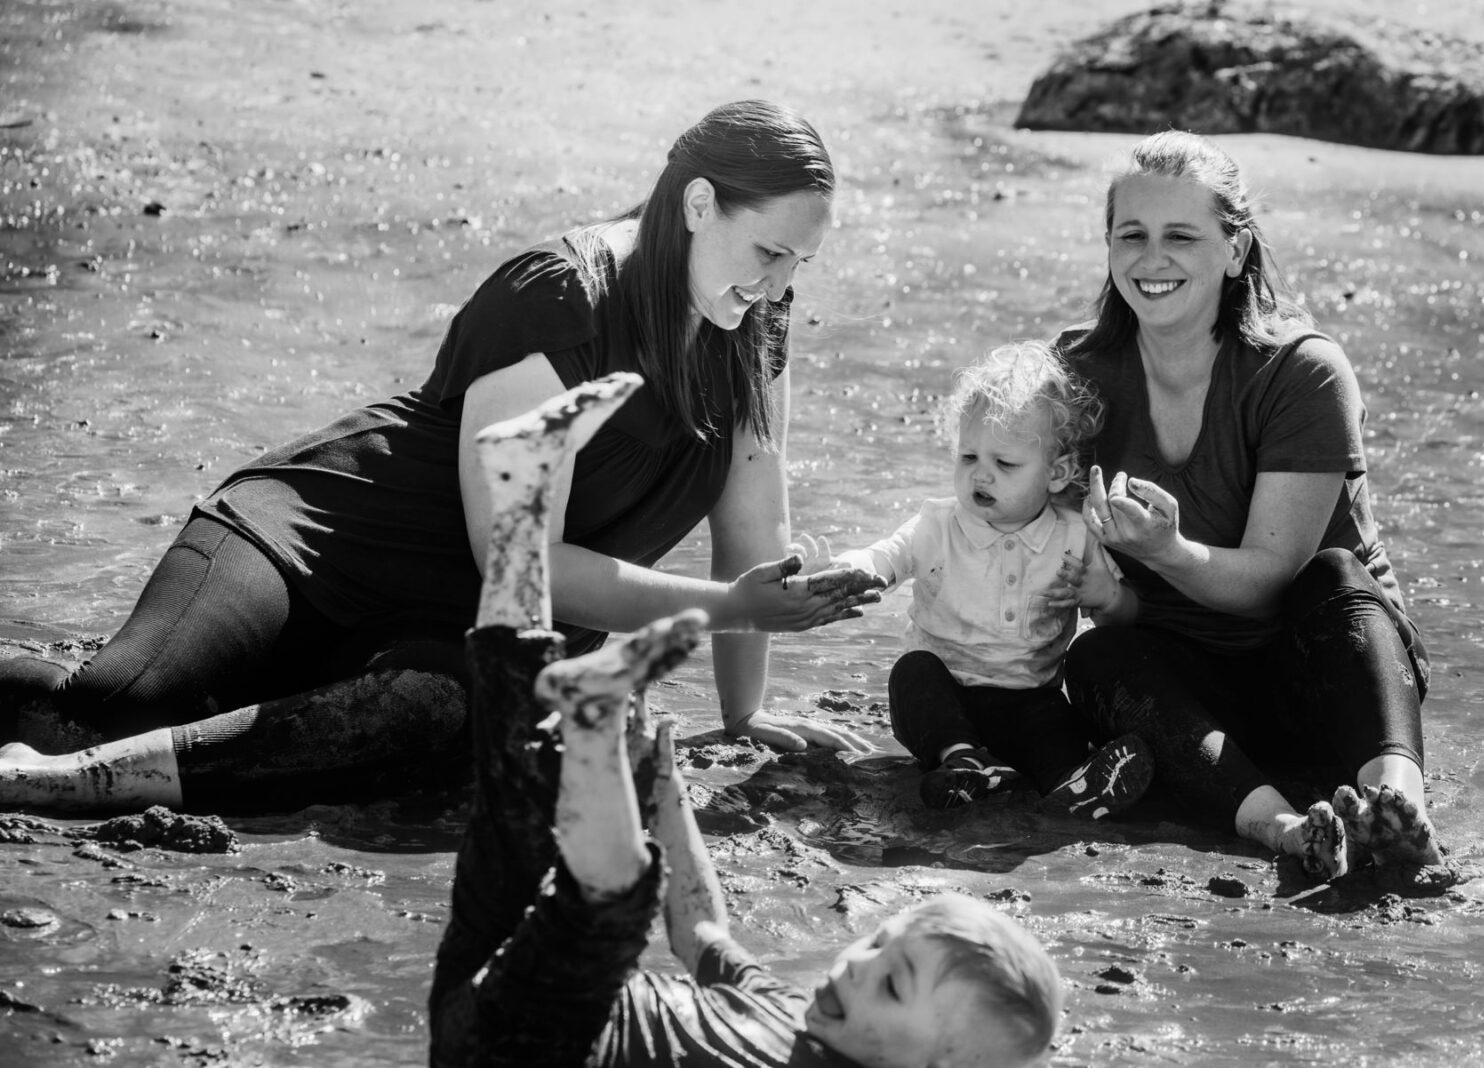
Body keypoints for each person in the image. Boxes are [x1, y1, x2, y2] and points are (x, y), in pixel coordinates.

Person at [0, 99, 883, 813]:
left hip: (457, 636)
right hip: (314, 545)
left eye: (798, 265)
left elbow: (754, 528)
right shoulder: (559, 298)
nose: (778, 286)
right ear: (698, 204)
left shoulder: (753, 326)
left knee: (439, 727)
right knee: (109, 710)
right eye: (769, 250)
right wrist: (734, 607)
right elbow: (519, 562)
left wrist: (744, 711)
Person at [1051, 129, 1443, 880]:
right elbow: (1023, 528)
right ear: (1107, 246)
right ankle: (1289, 831)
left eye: (1181, 236)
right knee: (1097, 657)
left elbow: (1270, 579)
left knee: (1331, 574)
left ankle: (1397, 805)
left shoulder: (1302, 372)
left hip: (1332, 681)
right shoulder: (1074, 375)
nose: (1151, 258)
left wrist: (1166, 551)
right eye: (1131, 234)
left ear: (1233, 251)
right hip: (1198, 702)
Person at [430, 608, 1065, 1068]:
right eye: (877, 943)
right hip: (483, 997)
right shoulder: (785, 1004)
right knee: (509, 798)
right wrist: (663, 788)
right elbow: (700, 929)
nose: (857, 966)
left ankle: (593, 720)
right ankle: (516, 499)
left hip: (545, 1038)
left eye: (893, 985)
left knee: (608, 899)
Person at [800, 339, 1152, 817]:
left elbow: (1128, 613)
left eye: (1004, 464)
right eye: (968, 458)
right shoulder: (938, 523)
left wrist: (1106, 595)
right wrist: (856, 567)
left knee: (1056, 724)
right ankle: (962, 762)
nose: (980, 476)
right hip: (948, 693)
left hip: (1031, 698)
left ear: (1057, 472)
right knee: (912, 674)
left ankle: (1073, 786)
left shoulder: (1075, 536)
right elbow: (890, 554)